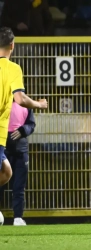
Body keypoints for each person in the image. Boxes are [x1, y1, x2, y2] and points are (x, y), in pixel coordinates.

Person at [0, 26, 48, 222]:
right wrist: (39, 104)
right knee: (6, 172)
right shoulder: (13, 69)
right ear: (12, 45)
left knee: (6, 171)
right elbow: (19, 98)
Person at [0, 102, 35, 226]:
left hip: (21, 150)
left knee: (19, 186)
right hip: (3, 149)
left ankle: (18, 217)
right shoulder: (2, 100)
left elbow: (31, 124)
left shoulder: (25, 103)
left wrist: (22, 130)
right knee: (0, 183)